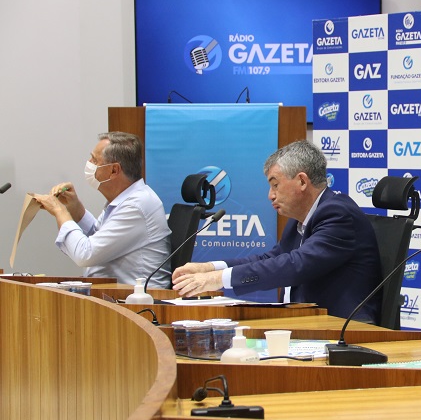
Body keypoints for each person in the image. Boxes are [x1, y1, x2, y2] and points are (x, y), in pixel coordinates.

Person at [172, 139, 383, 322]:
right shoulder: (300, 220)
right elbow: (271, 258)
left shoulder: (338, 214)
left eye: (275, 185)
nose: (270, 195)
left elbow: (295, 265)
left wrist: (217, 280)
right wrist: (209, 268)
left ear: (302, 181)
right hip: (305, 321)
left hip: (342, 328)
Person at [32, 132, 171, 287]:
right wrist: (75, 209)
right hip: (114, 292)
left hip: (135, 298)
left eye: (95, 160)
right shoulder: (125, 199)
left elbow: (85, 254)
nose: (89, 163)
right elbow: (98, 237)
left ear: (114, 170)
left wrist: (60, 211)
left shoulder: (136, 206)